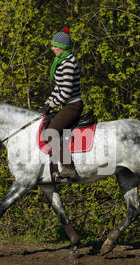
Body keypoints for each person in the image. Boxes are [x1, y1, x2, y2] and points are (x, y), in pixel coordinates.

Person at [40, 27, 83, 182]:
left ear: (63, 47)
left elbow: (65, 92)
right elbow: (58, 88)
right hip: (66, 104)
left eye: (55, 46)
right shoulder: (62, 61)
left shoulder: (68, 63)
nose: (52, 49)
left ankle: (68, 168)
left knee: (50, 133)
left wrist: (52, 105)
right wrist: (47, 103)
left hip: (72, 105)